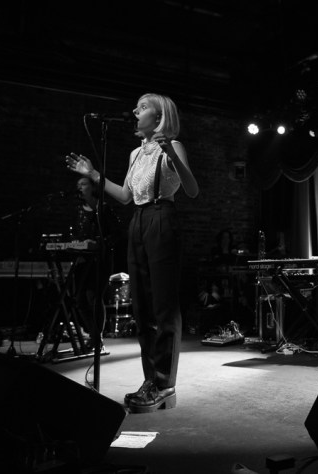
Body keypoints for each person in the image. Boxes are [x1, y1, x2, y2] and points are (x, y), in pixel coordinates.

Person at [66, 92, 199, 413]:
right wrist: (94, 174)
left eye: (142, 107)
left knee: (164, 305)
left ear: (159, 117)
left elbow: (192, 190)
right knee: (142, 307)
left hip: (162, 216)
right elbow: (126, 196)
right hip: (138, 220)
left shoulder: (173, 146)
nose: (135, 111)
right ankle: (150, 379)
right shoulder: (135, 154)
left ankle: (165, 383)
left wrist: (172, 154)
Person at [69, 176, 122, 345]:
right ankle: (94, 333)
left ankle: (96, 337)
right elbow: (74, 233)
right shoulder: (78, 210)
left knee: (93, 297)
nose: (79, 187)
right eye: (78, 184)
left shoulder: (103, 209)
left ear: (93, 187)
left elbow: (117, 233)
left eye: (83, 184)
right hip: (82, 260)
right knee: (79, 299)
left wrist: (98, 244)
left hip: (100, 260)